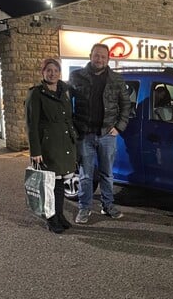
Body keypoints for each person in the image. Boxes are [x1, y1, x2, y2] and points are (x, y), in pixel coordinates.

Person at [69, 43, 131, 224]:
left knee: (107, 174)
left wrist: (119, 126)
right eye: (97, 56)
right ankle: (84, 208)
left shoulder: (116, 79)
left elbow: (126, 105)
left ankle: (108, 206)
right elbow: (65, 102)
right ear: (90, 56)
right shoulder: (76, 77)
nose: (100, 59)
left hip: (107, 135)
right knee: (86, 175)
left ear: (108, 59)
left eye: (103, 57)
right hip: (84, 134)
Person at [25, 58, 78, 234]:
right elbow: (32, 124)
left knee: (62, 183)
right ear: (43, 72)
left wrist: (74, 139)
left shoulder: (65, 91)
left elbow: (68, 118)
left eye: (56, 70)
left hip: (64, 144)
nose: (52, 73)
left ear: (60, 72)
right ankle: (51, 218)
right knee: (49, 185)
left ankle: (60, 215)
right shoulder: (36, 94)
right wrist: (35, 151)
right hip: (48, 146)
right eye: (49, 70)